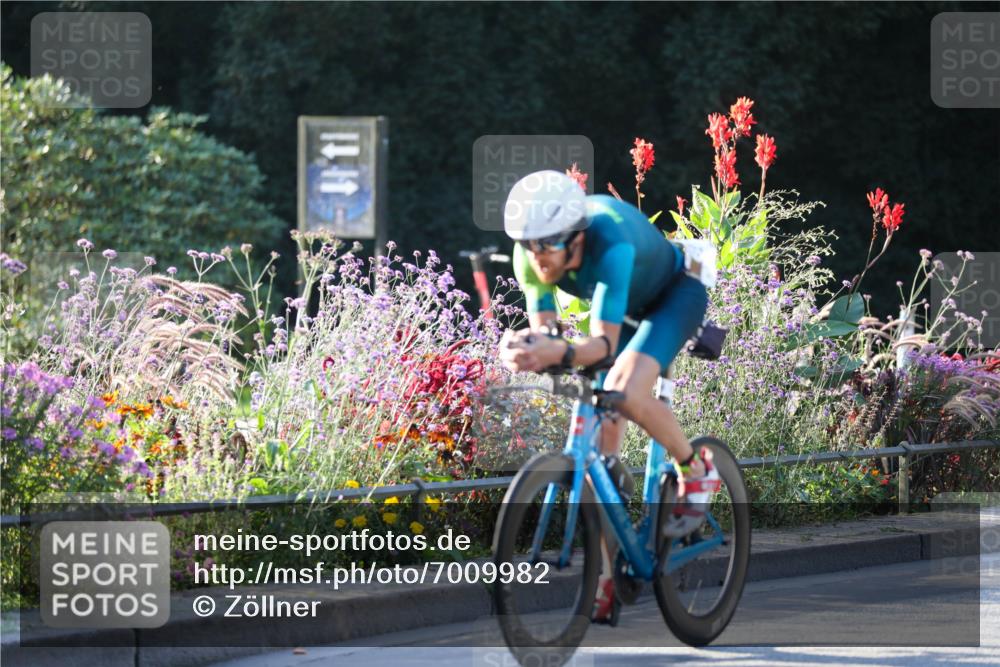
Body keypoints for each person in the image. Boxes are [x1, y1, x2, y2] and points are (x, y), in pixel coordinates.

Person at [498, 170, 720, 623]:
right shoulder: (530, 256)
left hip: (673, 296)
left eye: (548, 244)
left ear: (576, 237)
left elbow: (599, 344)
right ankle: (605, 577)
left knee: (622, 391)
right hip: (620, 308)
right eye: (529, 244)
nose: (538, 258)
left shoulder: (609, 242)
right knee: (599, 454)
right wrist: (527, 348)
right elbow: (548, 330)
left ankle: (696, 470)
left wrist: (560, 349)